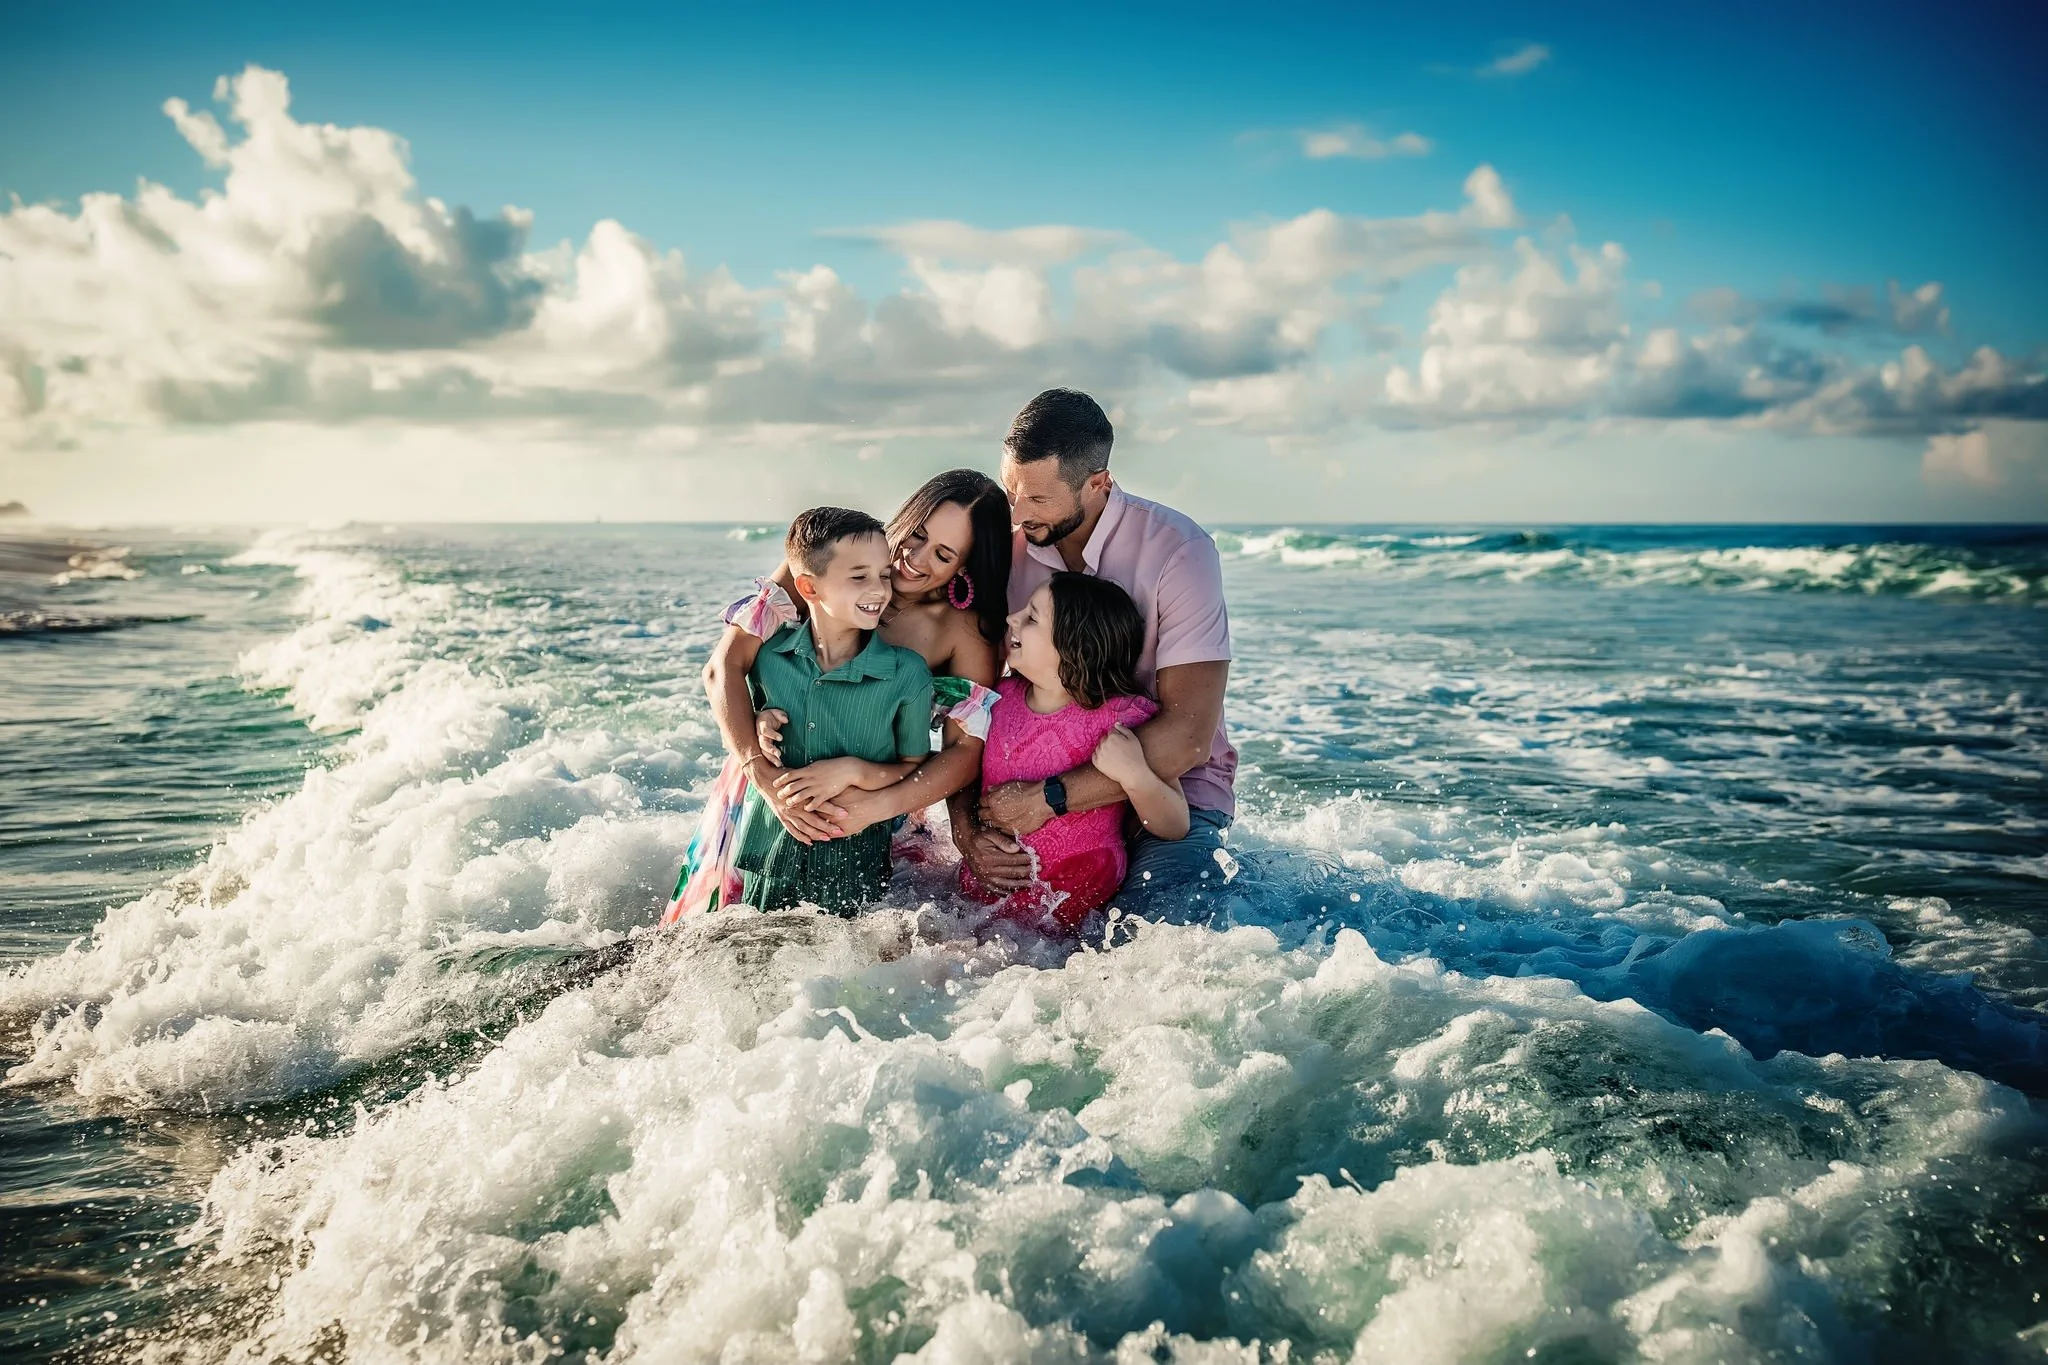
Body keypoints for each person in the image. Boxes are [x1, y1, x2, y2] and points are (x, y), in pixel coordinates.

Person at [666, 471, 1009, 920]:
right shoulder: (823, 562)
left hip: (873, 808)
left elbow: (964, 752)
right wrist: (762, 772)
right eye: (917, 534)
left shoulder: (960, 633)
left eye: (942, 554)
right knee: (720, 933)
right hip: (767, 784)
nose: (913, 558)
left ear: (963, 566)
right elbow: (723, 667)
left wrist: (874, 807)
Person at [953, 389, 1237, 925]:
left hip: (1169, 788)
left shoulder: (1180, 551)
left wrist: (1052, 797)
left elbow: (1188, 734)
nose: (1016, 514)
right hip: (1030, 785)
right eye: (1012, 492)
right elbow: (969, 695)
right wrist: (966, 827)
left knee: (1149, 940)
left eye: (1037, 499)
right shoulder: (1009, 548)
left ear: (1097, 483)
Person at [711, 507, 934, 914]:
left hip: (857, 869)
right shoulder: (768, 659)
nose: (879, 589)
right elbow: (734, 703)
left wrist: (856, 771)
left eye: (884, 575)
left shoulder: (908, 674)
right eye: (858, 576)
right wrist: (761, 722)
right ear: (809, 589)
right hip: (767, 858)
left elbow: (916, 765)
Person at [961, 573, 1188, 932]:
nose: (1012, 619)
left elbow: (1175, 824)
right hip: (992, 886)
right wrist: (971, 834)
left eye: (1032, 617)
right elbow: (960, 776)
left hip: (1079, 895)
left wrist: (1135, 775)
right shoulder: (996, 700)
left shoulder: (1123, 717)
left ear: (1075, 647)